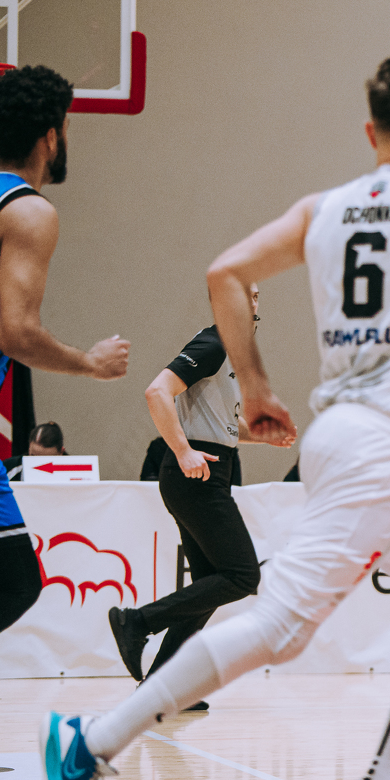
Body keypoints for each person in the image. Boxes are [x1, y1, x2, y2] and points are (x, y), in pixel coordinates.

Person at [41, 57, 390, 780]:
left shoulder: (323, 208)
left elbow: (225, 273)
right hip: (377, 448)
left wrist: (257, 384)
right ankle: (91, 741)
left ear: (370, 132)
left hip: (343, 439)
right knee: (280, 628)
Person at [0, 66, 129, 686]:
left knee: (18, 579)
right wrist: (89, 363)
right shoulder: (29, 211)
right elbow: (15, 334)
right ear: (52, 135)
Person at [108, 286, 294, 705]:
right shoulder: (213, 343)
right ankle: (137, 622)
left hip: (207, 471)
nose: (252, 302)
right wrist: (181, 450)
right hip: (195, 474)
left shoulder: (232, 352)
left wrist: (262, 436)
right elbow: (157, 392)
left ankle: (162, 687)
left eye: (256, 295)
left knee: (210, 583)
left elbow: (221, 426)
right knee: (242, 575)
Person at [2, 420, 66, 481]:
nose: (39, 465)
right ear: (29, 447)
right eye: (33, 457)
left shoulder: (70, 474)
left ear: (61, 452)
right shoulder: (8, 469)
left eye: (46, 460)